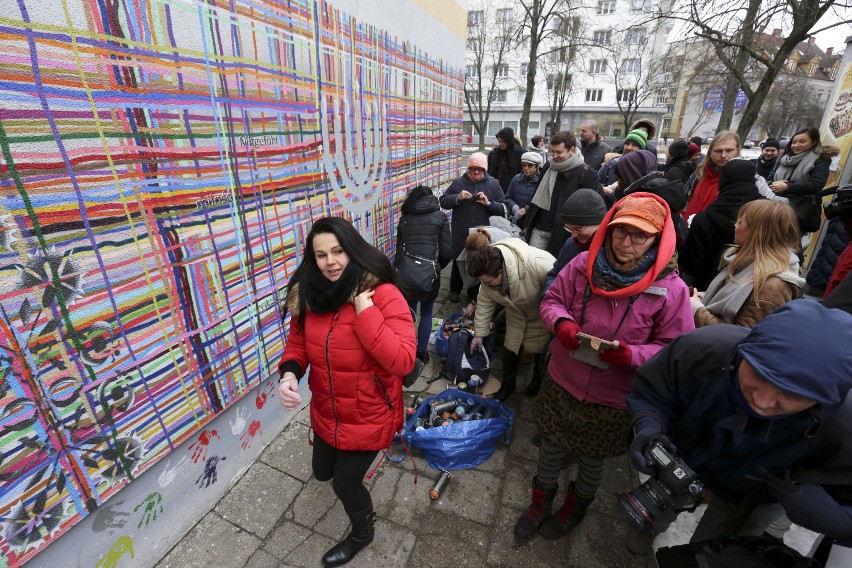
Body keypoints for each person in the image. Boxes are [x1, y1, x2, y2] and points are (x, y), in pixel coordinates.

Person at [513, 193, 693, 542]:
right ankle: (540, 500)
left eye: (640, 235)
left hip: (612, 398)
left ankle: (575, 506)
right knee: (550, 447)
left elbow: (675, 350)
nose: (627, 242)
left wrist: (633, 356)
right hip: (562, 381)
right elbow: (553, 300)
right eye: (620, 231)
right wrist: (561, 323)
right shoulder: (582, 264)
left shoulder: (671, 291)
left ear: (659, 238)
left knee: (592, 460)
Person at [624, 300, 852, 552]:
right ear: (745, 350)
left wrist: (841, 521)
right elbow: (654, 391)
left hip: (753, 496)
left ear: (824, 401)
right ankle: (651, 526)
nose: (762, 401)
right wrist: (648, 424)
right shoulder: (705, 349)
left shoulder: (844, 427)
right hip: (684, 458)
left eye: (792, 393)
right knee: (670, 495)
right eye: (759, 373)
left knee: (717, 549)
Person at [277, 217, 417, 567]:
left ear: (353, 250)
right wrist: (290, 375)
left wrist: (366, 312)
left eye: (338, 251)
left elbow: (403, 361)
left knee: (344, 484)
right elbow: (298, 345)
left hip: (370, 415)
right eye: (321, 254)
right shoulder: (310, 293)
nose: (331, 262)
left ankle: (362, 533)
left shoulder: (382, 295)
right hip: (328, 410)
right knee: (322, 473)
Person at [690, 200, 803, 328]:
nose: (735, 226)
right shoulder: (749, 264)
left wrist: (697, 310)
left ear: (756, 231)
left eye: (740, 222)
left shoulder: (773, 286)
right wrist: (699, 298)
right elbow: (727, 299)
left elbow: (739, 336)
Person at [467, 238, 555, 400]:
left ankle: (537, 379)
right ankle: (508, 385)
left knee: (541, 354)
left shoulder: (540, 264)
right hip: (515, 317)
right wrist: (479, 334)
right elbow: (485, 304)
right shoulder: (487, 280)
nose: (485, 284)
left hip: (541, 318)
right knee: (510, 351)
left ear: (501, 271)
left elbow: (559, 293)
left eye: (488, 281)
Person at [680, 158, 764, 290]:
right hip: (756, 288)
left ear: (722, 182)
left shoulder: (704, 219)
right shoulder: (771, 214)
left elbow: (692, 265)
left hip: (708, 290)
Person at [394, 185, 453, 363]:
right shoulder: (440, 217)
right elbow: (447, 252)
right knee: (427, 313)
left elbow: (399, 253)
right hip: (430, 275)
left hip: (407, 276)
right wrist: (436, 267)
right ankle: (421, 353)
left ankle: (407, 349)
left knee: (408, 312)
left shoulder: (405, 219)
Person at [440, 153, 506, 303]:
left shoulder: (493, 184)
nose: (476, 172)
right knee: (458, 260)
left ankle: (476, 293)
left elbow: (503, 206)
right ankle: (455, 289)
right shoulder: (458, 183)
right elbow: (443, 201)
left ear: (485, 170)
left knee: (481, 260)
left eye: (480, 169)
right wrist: (457, 197)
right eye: (473, 169)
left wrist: (489, 204)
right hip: (461, 231)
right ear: (468, 169)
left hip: (483, 233)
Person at [525, 130, 602, 257]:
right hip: (539, 228)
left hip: (564, 234)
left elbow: (592, 210)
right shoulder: (548, 167)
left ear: (572, 149)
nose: (554, 156)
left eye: (559, 152)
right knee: (531, 265)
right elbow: (536, 195)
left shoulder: (587, 174)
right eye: (552, 152)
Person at [768, 127, 839, 234]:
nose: (796, 145)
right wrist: (771, 185)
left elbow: (816, 184)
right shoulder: (784, 158)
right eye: (794, 142)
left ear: (813, 142)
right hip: (775, 208)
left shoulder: (820, 159)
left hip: (800, 213)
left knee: (788, 247)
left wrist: (788, 187)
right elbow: (770, 178)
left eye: (802, 142)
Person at [543, 189, 608, 293]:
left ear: (599, 222)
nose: (573, 235)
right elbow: (555, 274)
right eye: (569, 229)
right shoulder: (570, 244)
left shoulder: (614, 253)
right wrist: (548, 295)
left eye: (578, 229)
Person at [683, 130, 740, 220]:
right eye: (718, 151)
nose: (723, 155)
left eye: (729, 150)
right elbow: (684, 198)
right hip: (688, 230)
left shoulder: (748, 179)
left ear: (737, 150)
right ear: (710, 152)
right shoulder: (700, 173)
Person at [506, 152, 544, 228]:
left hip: (534, 223)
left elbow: (542, 202)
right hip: (516, 221)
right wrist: (513, 206)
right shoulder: (516, 179)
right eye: (524, 165)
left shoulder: (542, 181)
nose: (526, 168)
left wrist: (526, 209)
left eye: (530, 165)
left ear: (537, 167)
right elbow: (507, 197)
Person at [488, 127, 525, 192]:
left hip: (511, 190)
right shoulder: (495, 153)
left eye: (503, 141)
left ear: (509, 140)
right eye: (499, 141)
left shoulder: (520, 153)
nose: (500, 144)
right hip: (494, 188)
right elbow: (490, 170)